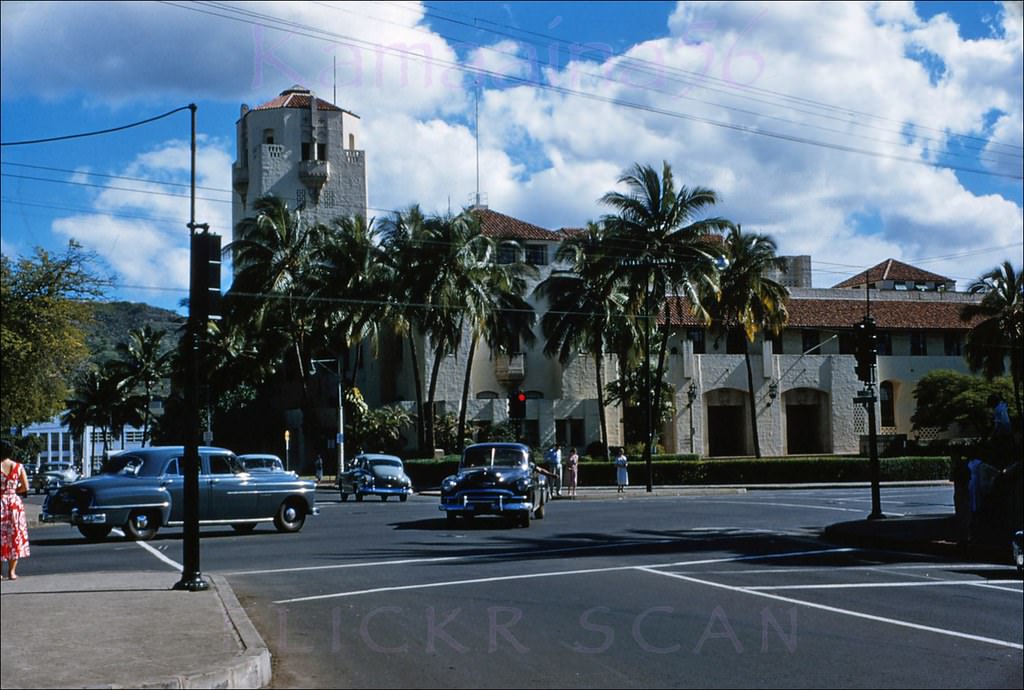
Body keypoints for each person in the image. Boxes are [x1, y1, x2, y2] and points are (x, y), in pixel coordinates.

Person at [1, 442, 31, 580]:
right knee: (15, 536)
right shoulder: (18, 467)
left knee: (1, 537)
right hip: (14, 503)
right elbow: (25, 487)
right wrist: (13, 491)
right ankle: (12, 572)